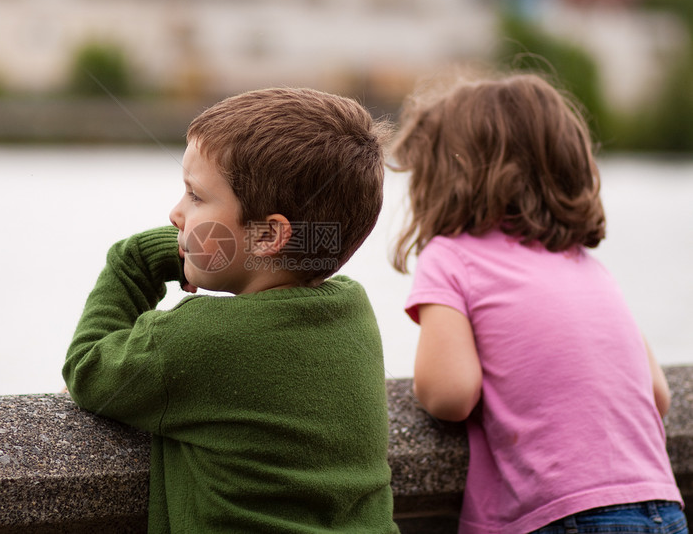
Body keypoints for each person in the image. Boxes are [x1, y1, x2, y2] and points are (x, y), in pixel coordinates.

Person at [63, 87, 399, 533]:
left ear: (267, 237)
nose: (175, 214)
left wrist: (136, 261)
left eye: (196, 197)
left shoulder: (198, 337)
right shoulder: (352, 312)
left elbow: (88, 371)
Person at [388, 72, 686, 534]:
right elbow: (659, 395)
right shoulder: (585, 264)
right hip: (660, 506)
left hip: (561, 516)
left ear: (443, 176)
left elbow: (449, 393)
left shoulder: (451, 257)